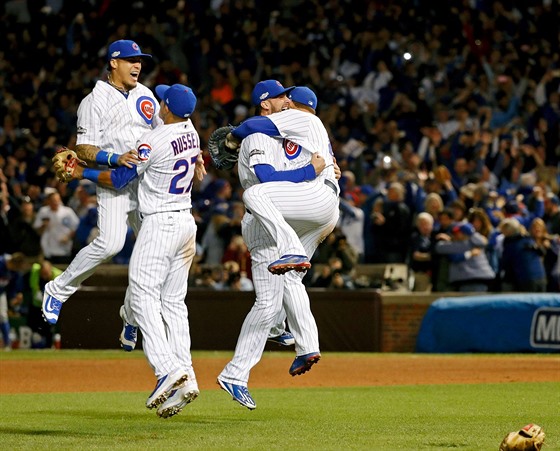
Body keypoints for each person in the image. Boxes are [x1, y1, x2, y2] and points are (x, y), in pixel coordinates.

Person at [58, 83, 203, 419]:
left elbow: (120, 179)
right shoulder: (191, 133)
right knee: (173, 303)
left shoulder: (155, 139)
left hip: (160, 224)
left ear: (166, 107)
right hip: (186, 223)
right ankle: (187, 376)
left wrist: (81, 172)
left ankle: (166, 370)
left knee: (141, 296)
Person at [217, 82, 339, 410]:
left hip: (280, 214)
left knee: (280, 292)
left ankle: (276, 337)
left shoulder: (286, 135)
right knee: (269, 302)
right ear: (264, 102)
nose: (287, 99)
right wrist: (311, 171)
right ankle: (248, 360)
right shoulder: (258, 136)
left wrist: (326, 167)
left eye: (289, 95)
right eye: (282, 95)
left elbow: (301, 167)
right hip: (263, 222)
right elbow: (267, 178)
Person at [41, 40, 162, 326]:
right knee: (109, 244)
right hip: (114, 182)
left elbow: (163, 131)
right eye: (131, 60)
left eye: (140, 60)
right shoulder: (93, 101)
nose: (138, 65)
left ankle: (131, 316)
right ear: (113, 63)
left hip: (146, 183)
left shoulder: (145, 94)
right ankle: (57, 289)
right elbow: (84, 149)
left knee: (154, 251)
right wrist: (114, 157)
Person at [33, 191, 80, 264]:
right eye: (53, 200)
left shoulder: (67, 211)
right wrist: (43, 226)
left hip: (64, 249)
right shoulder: (43, 211)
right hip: (48, 249)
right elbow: (37, 229)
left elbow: (77, 226)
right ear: (48, 201)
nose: (56, 202)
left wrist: (68, 237)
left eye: (57, 200)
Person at [0, 253, 27, 350]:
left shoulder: (14, 272)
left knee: (3, 316)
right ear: (12, 263)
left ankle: (7, 344)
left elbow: (12, 288)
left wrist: (14, 298)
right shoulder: (1, 262)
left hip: (1, 293)